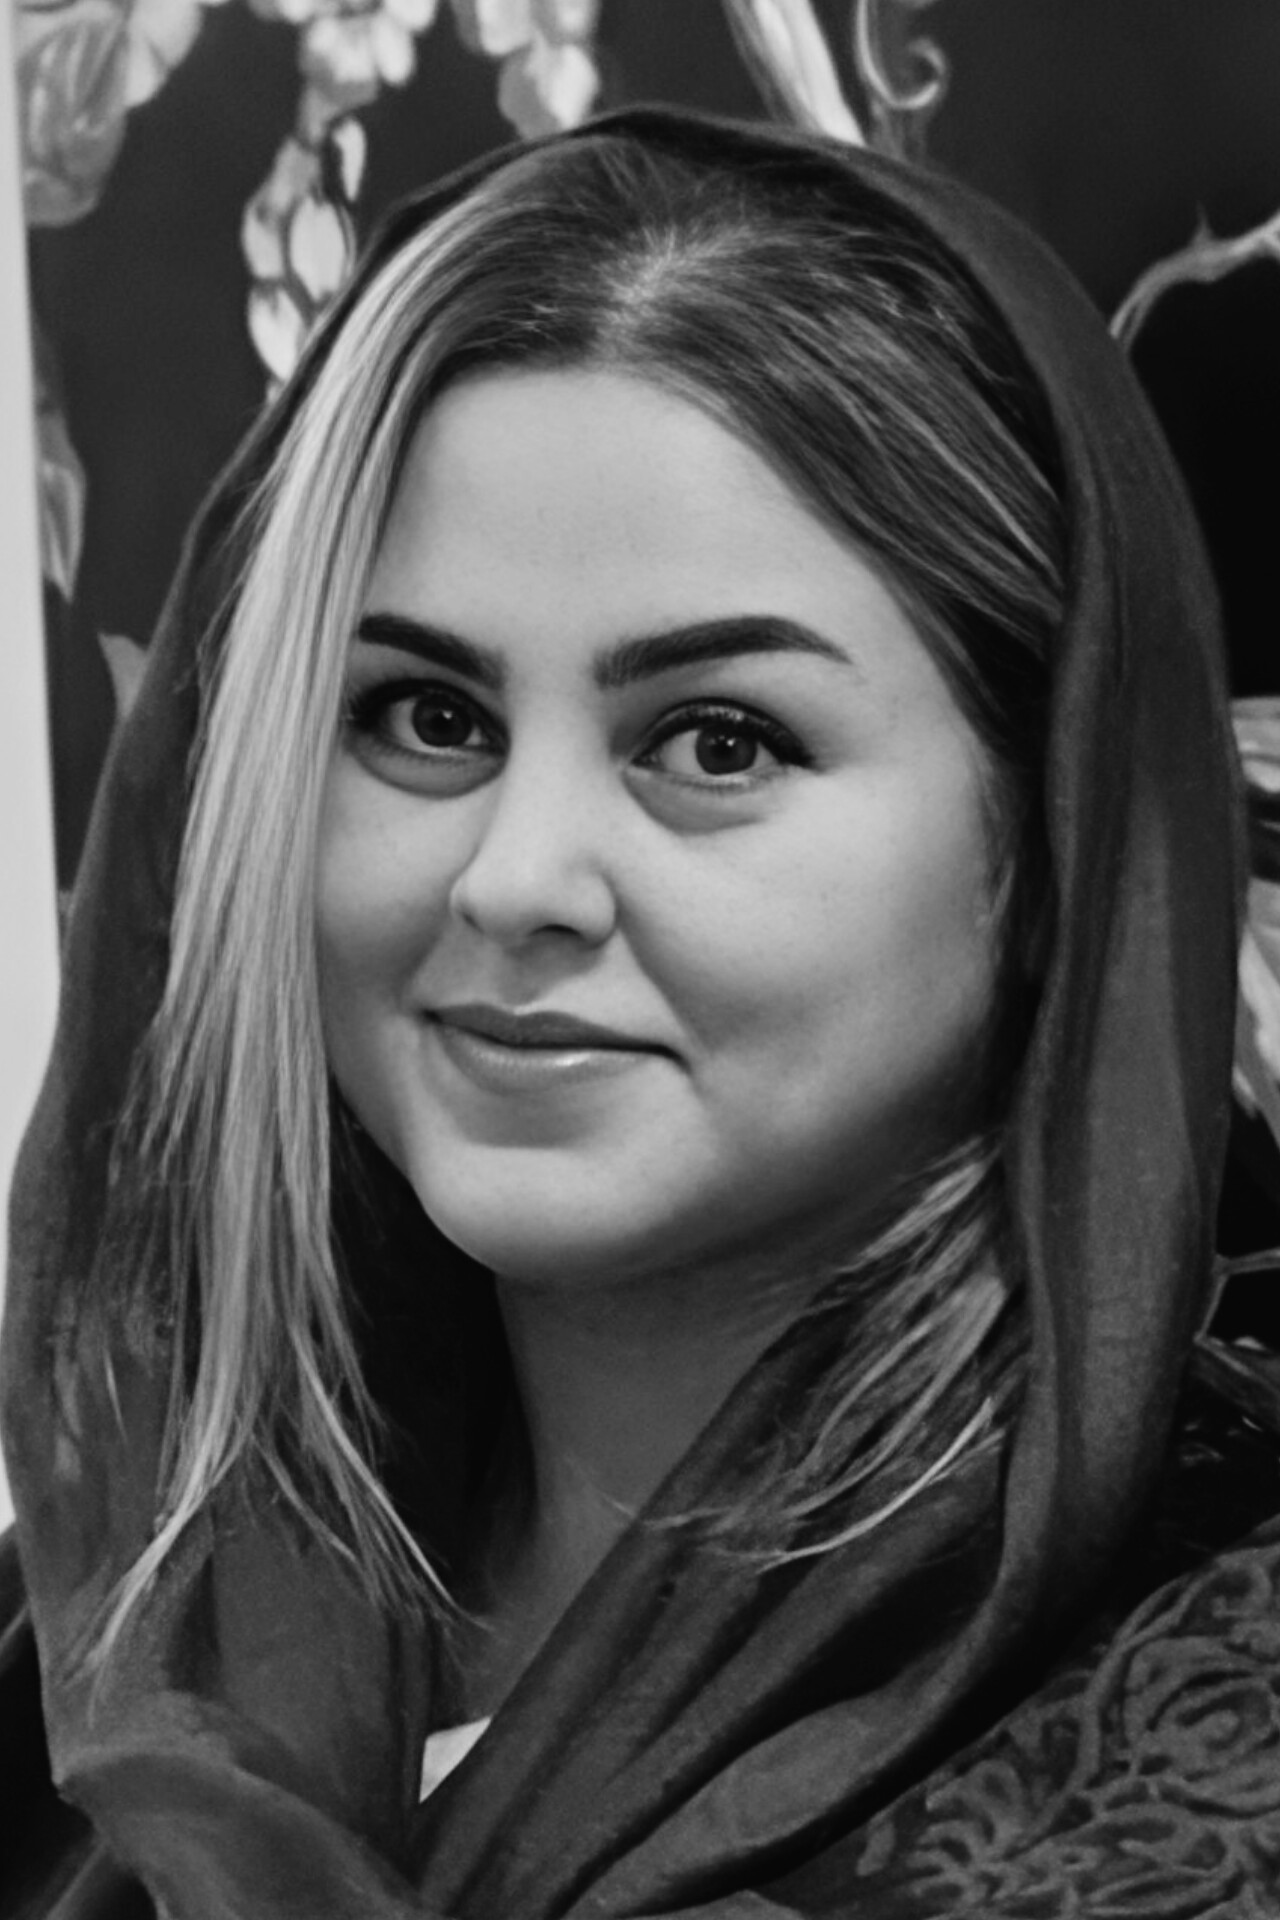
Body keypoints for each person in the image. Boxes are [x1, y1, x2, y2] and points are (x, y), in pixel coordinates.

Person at [3, 106, 1279, 1920]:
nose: (516, 877)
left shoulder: (1220, 1699)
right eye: (426, 719)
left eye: (719, 741)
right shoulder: (102, 1642)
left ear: (1055, 836)